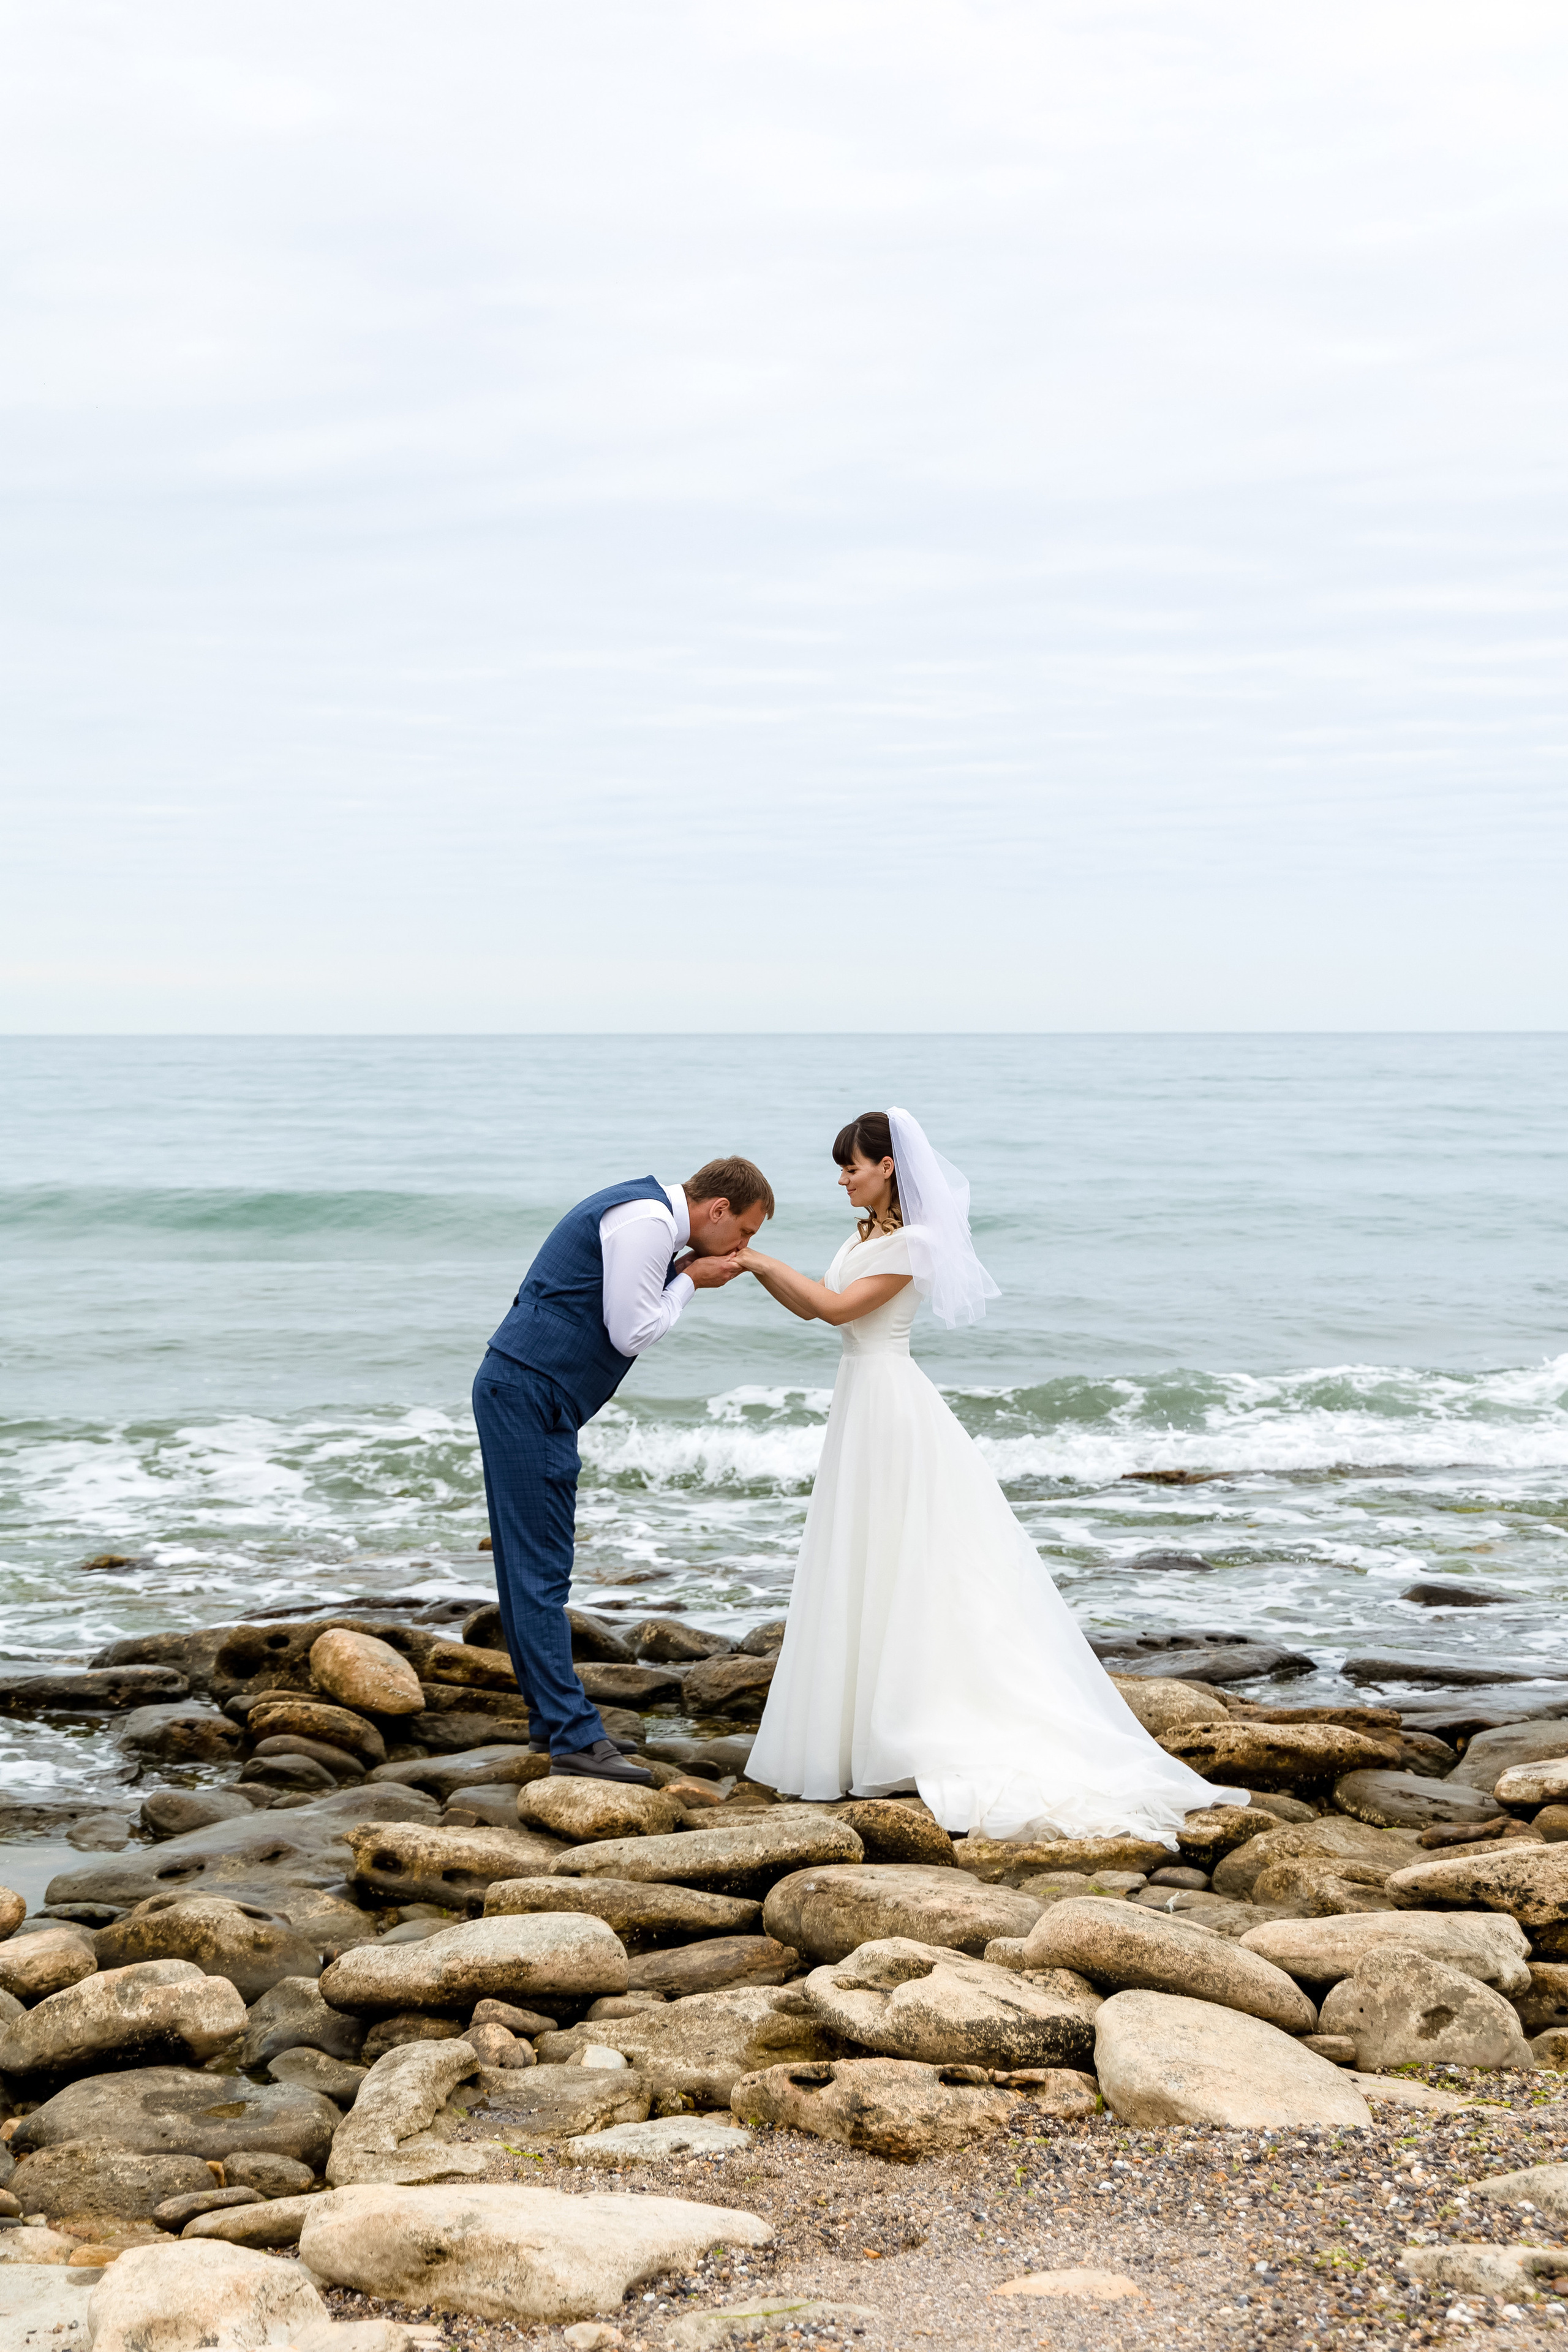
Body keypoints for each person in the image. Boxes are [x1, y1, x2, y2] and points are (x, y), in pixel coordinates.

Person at [738, 1110, 1242, 1841]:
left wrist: (756, 1261)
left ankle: (911, 1723)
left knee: (905, 1556)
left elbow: (836, 1307)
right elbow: (816, 1307)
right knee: (864, 1554)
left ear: (886, 1167)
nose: (842, 1179)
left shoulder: (915, 1243)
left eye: (851, 1166)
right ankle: (855, 1732)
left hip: (890, 1404)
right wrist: (754, 1269)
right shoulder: (865, 1237)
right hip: (860, 1397)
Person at [474, 1158, 774, 1784]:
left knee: (529, 1567)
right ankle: (574, 1737)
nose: (741, 1247)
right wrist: (689, 1281)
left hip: (528, 1391)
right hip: (527, 1393)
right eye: (744, 1232)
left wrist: (684, 1273)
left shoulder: (648, 1218)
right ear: (718, 1210)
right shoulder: (647, 1222)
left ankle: (550, 1722)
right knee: (539, 1571)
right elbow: (631, 1330)